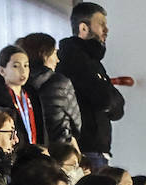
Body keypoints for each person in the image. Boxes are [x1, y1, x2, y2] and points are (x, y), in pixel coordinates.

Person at [58, 2, 125, 168]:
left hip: (99, 151)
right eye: (101, 24)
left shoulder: (93, 62)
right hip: (85, 151)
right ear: (83, 28)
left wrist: (110, 98)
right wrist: (110, 98)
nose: (106, 30)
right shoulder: (74, 58)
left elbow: (118, 109)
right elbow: (104, 99)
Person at [16, 33, 80, 147]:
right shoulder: (60, 82)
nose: (58, 59)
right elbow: (76, 123)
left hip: (27, 149)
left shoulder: (17, 83)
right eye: (54, 53)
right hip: (60, 148)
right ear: (45, 55)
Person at [0, 45, 45, 147]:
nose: (23, 71)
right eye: (16, 66)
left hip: (35, 154)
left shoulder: (33, 95)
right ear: (2, 71)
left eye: (26, 65)